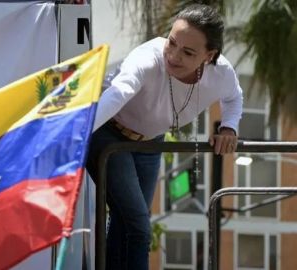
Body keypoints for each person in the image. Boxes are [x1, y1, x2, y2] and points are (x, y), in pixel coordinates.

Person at [86, 4, 243, 270]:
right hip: (108, 134)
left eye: (188, 52)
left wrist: (229, 127)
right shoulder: (147, 58)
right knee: (138, 225)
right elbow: (118, 94)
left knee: (129, 221)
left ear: (209, 55)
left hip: (150, 142)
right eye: (172, 43)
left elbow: (234, 97)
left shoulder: (222, 73)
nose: (173, 55)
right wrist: (77, 136)